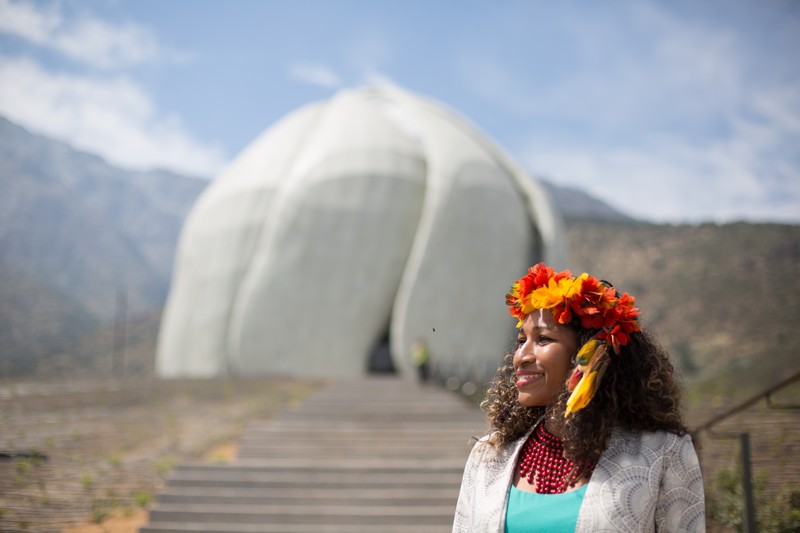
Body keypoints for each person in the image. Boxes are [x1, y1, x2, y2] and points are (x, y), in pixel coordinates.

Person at [453, 262, 705, 532]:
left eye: (543, 339)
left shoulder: (663, 452)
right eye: (520, 340)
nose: (520, 356)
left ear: (592, 355)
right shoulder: (489, 456)